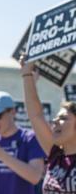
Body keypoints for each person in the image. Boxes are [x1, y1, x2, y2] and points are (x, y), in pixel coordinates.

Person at [21, 58, 76, 193]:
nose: (55, 121)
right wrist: (27, 73)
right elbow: (36, 115)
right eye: (55, 118)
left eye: (63, 118)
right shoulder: (55, 154)